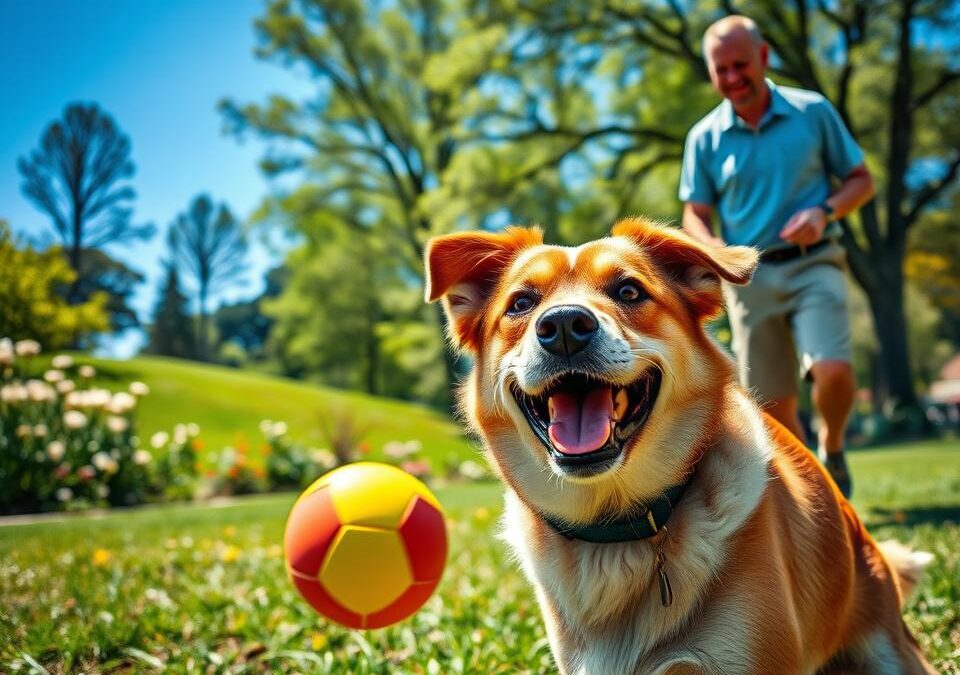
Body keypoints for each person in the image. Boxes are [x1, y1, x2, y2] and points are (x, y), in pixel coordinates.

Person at [679, 15, 875, 497]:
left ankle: (833, 441)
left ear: (764, 57)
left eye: (740, 65)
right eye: (720, 69)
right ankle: (820, 496)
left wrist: (824, 211)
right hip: (750, 282)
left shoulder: (812, 113)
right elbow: (694, 212)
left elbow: (861, 181)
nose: (731, 78)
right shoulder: (704, 138)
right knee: (774, 415)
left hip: (813, 261)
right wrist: (711, 248)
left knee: (831, 368)